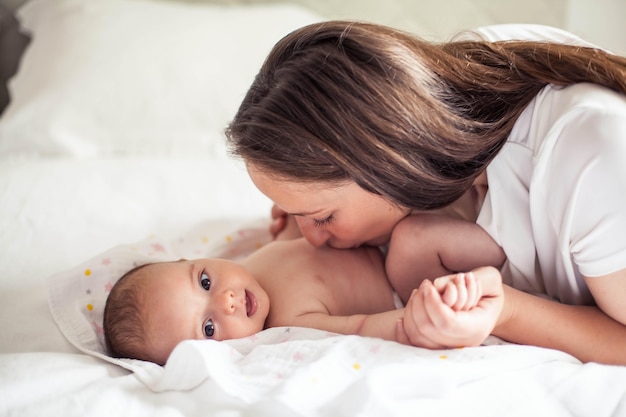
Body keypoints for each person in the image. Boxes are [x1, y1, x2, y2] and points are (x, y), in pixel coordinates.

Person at [225, 21, 626, 365]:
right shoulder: (438, 101)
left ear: (388, 162)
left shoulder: (588, 157)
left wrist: (506, 311)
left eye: (323, 217)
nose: (312, 238)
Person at [103, 216, 504, 365]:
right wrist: (419, 316)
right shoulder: (287, 324)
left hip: (371, 236)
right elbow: (361, 326)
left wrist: (294, 212)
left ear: (192, 259)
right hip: (405, 283)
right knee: (412, 240)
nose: (225, 301)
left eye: (205, 282)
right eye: (209, 328)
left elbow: (305, 242)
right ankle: (517, 263)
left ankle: (505, 225)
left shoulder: (251, 263)